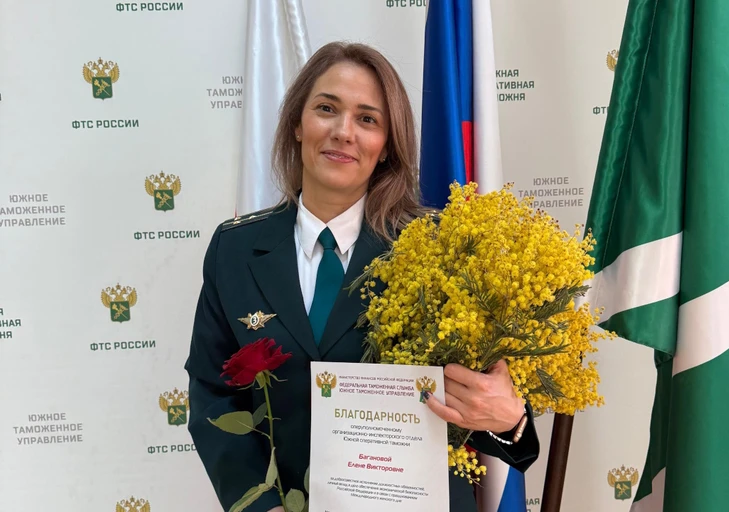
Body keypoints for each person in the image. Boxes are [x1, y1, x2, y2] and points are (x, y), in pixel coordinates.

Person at [184, 41, 539, 512]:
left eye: (367, 119)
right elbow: (211, 392)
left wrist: (509, 419)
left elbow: (510, 432)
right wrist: (259, 506)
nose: (343, 132)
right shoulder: (234, 249)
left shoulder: (444, 249)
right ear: (297, 123)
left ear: (387, 144)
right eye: (326, 109)